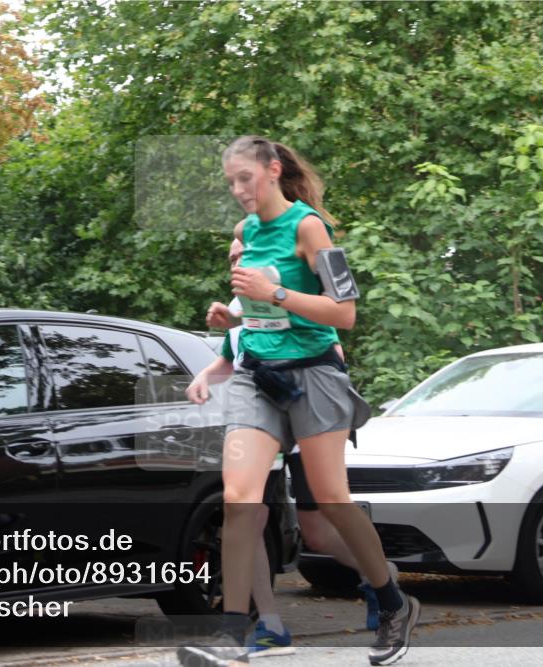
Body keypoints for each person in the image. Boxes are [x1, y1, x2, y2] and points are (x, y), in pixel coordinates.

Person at [177, 136, 420, 667]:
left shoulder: (310, 227)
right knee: (241, 497)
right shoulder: (245, 233)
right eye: (231, 182)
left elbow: (345, 312)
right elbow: (258, 308)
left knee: (333, 499)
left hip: (315, 376)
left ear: (273, 169)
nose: (239, 190)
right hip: (257, 378)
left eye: (246, 178)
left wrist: (275, 294)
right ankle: (231, 635)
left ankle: (391, 600)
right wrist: (234, 316)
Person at [202, 240, 398, 658]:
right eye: (233, 258)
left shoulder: (299, 296)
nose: (239, 262)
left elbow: (333, 351)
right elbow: (224, 364)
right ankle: (268, 624)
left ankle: (380, 576)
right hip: (261, 425)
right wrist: (203, 379)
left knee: (319, 528)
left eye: (245, 255)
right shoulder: (239, 322)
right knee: (245, 514)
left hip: (309, 415)